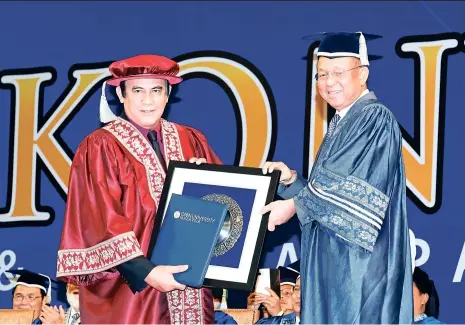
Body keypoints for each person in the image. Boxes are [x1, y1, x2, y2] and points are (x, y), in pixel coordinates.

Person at [56, 54, 221, 324]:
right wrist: (148, 273)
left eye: (157, 90)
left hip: (191, 287)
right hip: (132, 292)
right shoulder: (100, 146)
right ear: (121, 94)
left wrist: (207, 182)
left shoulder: (192, 140)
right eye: (137, 91)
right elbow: (100, 218)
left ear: (168, 95)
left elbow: (223, 203)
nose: (148, 100)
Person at [261, 32, 413, 324]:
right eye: (322, 74)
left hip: (359, 270)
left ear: (363, 74)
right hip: (335, 266)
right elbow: (325, 194)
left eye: (339, 72)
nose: (329, 82)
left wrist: (293, 205)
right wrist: (291, 182)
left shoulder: (374, 118)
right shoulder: (342, 123)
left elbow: (353, 194)